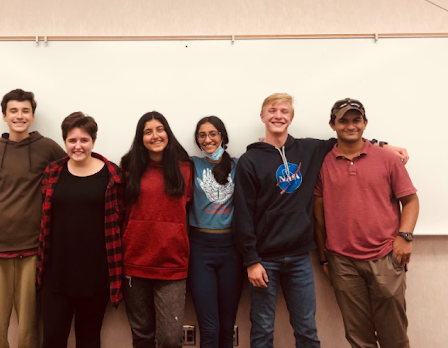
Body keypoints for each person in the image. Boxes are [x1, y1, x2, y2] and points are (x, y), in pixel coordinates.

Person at [232, 93, 409, 348]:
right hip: (264, 260)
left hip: (299, 259)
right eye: (272, 111)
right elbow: (243, 214)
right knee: (262, 329)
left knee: (306, 329)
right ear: (262, 117)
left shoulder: (309, 149)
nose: (278, 116)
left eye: (284, 111)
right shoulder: (249, 161)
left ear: (291, 118)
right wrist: (251, 260)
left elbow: (350, 139)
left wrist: (383, 145)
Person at [314, 99, 419, 348]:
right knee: (358, 337)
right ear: (332, 125)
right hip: (342, 262)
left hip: (385, 256)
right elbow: (319, 217)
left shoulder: (387, 159)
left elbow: (411, 201)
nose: (351, 125)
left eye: (356, 120)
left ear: (365, 123)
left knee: (393, 335)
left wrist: (405, 237)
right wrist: (324, 258)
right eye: (344, 120)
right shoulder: (323, 163)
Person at [0, 89, 65, 348]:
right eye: (13, 110)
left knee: (28, 331)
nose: (19, 116)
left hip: (32, 252)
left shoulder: (48, 148)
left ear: (33, 116)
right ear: (4, 116)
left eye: (25, 111)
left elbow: (75, 170)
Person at [36, 112, 123, 348]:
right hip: (56, 276)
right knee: (53, 339)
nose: (78, 146)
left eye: (84, 140)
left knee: (89, 339)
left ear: (93, 141)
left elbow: (121, 223)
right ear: (64, 141)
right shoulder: (52, 172)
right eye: (72, 140)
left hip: (96, 277)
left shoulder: (112, 175)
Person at [120, 111, 194, 348]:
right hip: (134, 260)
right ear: (140, 137)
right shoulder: (128, 166)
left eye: (159, 129)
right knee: (142, 336)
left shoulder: (185, 168)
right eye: (148, 131)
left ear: (167, 133)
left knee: (170, 339)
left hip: (172, 263)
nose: (155, 136)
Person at [188, 116, 244, 348]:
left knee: (226, 326)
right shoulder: (191, 165)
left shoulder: (239, 165)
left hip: (232, 250)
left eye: (213, 133)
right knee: (209, 328)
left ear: (222, 136)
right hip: (200, 250)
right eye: (202, 135)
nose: (208, 139)